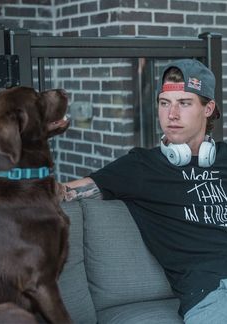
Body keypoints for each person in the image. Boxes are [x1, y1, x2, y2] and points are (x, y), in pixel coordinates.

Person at [62, 59, 227, 324]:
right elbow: (65, 192)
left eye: (184, 103)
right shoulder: (141, 166)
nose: (171, 114)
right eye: (165, 103)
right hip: (210, 294)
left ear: (208, 109)